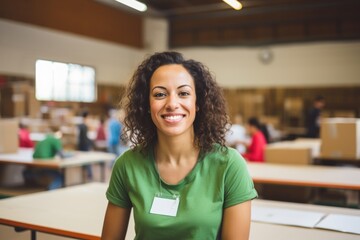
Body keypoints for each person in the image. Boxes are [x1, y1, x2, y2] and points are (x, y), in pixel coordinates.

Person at [102, 51, 257, 240]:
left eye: (183, 93)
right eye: (160, 94)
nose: (172, 103)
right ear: (147, 104)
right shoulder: (127, 165)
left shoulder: (229, 165)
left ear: (197, 103)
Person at [77, 110, 94, 180]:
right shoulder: (84, 126)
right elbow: (85, 137)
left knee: (83, 161)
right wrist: (91, 143)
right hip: (85, 145)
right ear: (86, 117)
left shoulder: (80, 126)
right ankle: (89, 175)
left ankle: (84, 175)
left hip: (81, 145)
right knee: (87, 160)